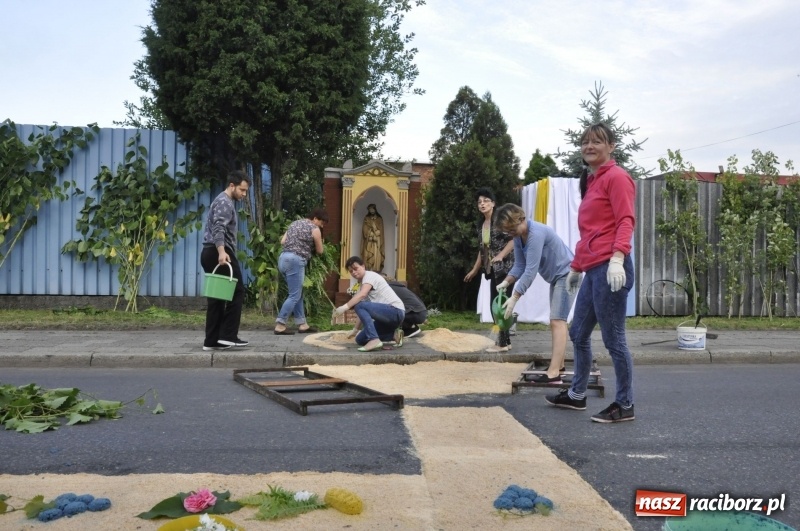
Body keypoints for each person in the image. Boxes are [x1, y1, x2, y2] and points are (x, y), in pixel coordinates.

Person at [545, 123, 637, 423]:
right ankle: (576, 395)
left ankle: (624, 404)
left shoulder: (617, 178)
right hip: (593, 269)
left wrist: (618, 257)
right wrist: (576, 267)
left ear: (611, 146)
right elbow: (590, 233)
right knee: (579, 333)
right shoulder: (592, 180)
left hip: (611, 269)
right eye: (585, 142)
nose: (589, 146)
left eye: (597, 141)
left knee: (614, 341)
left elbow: (625, 220)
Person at [494, 203, 577, 383]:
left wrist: (515, 297)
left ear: (521, 219)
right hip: (557, 277)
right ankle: (558, 365)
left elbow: (530, 271)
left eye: (512, 229)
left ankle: (554, 373)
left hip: (568, 274)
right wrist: (506, 281)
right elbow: (520, 266)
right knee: (556, 321)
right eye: (508, 231)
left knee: (557, 321)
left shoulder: (535, 234)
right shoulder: (519, 236)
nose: (511, 234)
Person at [200, 170, 251, 351]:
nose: (244, 195)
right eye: (242, 190)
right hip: (218, 252)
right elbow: (218, 227)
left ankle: (211, 341)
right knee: (237, 291)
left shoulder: (223, 200)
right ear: (232, 185)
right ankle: (228, 335)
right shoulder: (224, 202)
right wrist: (221, 251)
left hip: (209, 251)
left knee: (218, 298)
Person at [463, 188, 515, 352]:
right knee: (497, 304)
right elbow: (483, 249)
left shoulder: (500, 220)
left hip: (507, 268)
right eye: (479, 202)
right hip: (492, 269)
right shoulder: (481, 224)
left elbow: (514, 239)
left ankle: (502, 342)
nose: (482, 204)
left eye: (486, 200)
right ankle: (504, 342)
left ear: (493, 203)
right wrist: (474, 269)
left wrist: (501, 255)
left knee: (499, 304)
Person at [274, 208, 329, 335]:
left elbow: (283, 241)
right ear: (315, 218)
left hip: (283, 259)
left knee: (297, 293)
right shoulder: (314, 229)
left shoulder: (294, 224)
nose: (321, 226)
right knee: (294, 295)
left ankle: (302, 324)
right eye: (321, 223)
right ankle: (280, 325)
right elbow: (320, 251)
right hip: (295, 261)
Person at [334, 256, 405, 352]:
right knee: (360, 340)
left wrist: (344, 307)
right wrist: (355, 330)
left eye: (355, 269)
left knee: (359, 305)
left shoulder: (370, 276)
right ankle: (394, 335)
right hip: (385, 319)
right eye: (351, 271)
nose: (354, 272)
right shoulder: (364, 284)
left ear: (363, 266)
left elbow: (361, 296)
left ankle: (374, 339)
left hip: (396, 311)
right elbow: (362, 310)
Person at [361, 204, 385, 273]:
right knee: (367, 255)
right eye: (370, 209)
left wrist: (377, 233)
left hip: (377, 242)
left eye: (372, 209)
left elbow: (381, 230)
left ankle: (376, 269)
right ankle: (369, 269)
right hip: (369, 241)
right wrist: (370, 234)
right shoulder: (367, 218)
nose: (371, 211)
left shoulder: (379, 219)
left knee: (376, 256)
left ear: (375, 209)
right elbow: (364, 229)